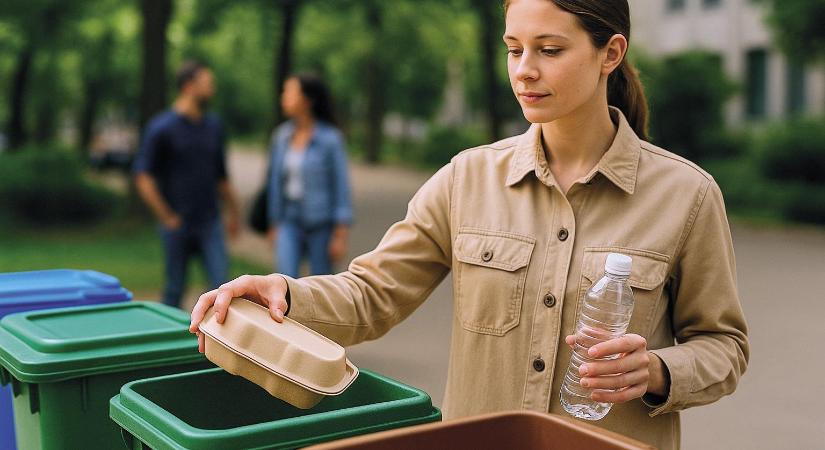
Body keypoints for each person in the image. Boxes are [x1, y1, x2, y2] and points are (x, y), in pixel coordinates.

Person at [189, 1, 749, 448]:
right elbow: (371, 294)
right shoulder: (467, 178)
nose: (524, 70)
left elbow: (724, 346)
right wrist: (283, 292)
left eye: (549, 49)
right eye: (513, 49)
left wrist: (654, 370)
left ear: (610, 53)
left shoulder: (686, 196)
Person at [134, 60, 240, 308]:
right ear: (189, 86)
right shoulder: (161, 128)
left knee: (223, 288)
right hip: (177, 224)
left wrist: (234, 211)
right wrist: (166, 216)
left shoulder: (214, 126)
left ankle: (218, 345)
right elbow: (143, 177)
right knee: (174, 289)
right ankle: (169, 345)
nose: (212, 88)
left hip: (210, 222)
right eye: (207, 83)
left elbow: (221, 176)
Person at [266, 74, 353, 277]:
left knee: (321, 285)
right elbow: (275, 184)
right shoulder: (281, 137)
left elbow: (341, 187)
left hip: (321, 223)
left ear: (307, 100)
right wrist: (274, 223)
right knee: (284, 281)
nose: (283, 97)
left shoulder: (331, 140)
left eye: (289, 92)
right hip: (289, 220)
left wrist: (340, 234)